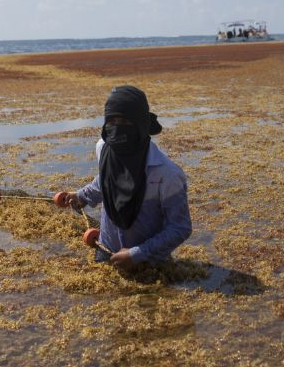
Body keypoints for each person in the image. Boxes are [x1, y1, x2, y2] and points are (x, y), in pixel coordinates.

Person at [67, 86, 192, 271]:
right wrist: (83, 196)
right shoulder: (104, 148)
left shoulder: (167, 174)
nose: (117, 129)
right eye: (112, 121)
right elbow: (106, 180)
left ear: (140, 124)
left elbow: (180, 227)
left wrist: (137, 254)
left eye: (124, 121)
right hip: (105, 251)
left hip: (149, 262)